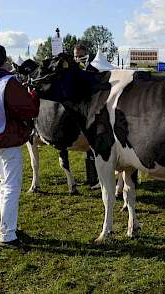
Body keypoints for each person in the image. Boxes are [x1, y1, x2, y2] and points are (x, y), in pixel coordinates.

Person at [0, 44, 39, 249]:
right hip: (8, 141)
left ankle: (7, 226)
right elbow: (28, 109)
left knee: (5, 185)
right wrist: (33, 92)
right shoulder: (8, 82)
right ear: (3, 60)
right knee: (11, 187)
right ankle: (8, 235)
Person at [73, 44, 99, 187]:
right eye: (76, 56)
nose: (77, 58)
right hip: (81, 114)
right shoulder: (74, 71)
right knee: (88, 149)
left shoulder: (93, 71)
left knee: (94, 148)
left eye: (80, 55)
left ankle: (97, 179)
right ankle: (91, 179)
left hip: (93, 112)